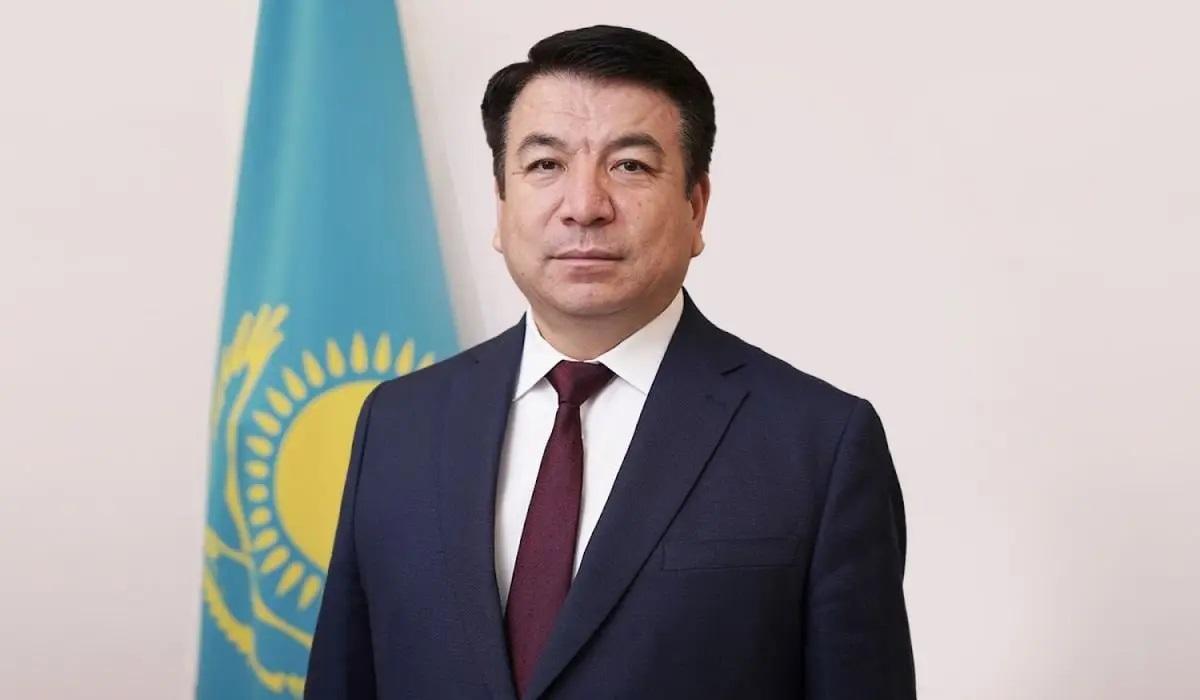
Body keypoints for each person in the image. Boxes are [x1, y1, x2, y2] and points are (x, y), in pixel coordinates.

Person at [306, 24, 915, 699]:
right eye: (545, 165)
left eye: (630, 166)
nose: (585, 207)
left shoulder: (820, 445)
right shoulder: (397, 424)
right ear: (500, 206)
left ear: (696, 207)